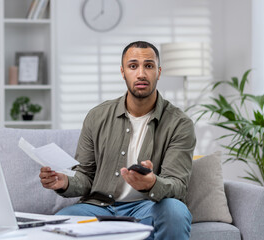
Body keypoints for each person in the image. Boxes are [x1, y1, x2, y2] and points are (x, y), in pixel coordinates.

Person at [39, 41, 196, 240]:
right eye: (133, 66)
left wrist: (152, 183)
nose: (141, 74)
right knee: (59, 223)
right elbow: (85, 176)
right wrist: (64, 182)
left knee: (175, 211)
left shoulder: (179, 123)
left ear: (159, 71)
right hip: (100, 207)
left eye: (149, 66)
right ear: (123, 72)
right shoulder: (97, 116)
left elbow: (178, 184)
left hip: (148, 208)